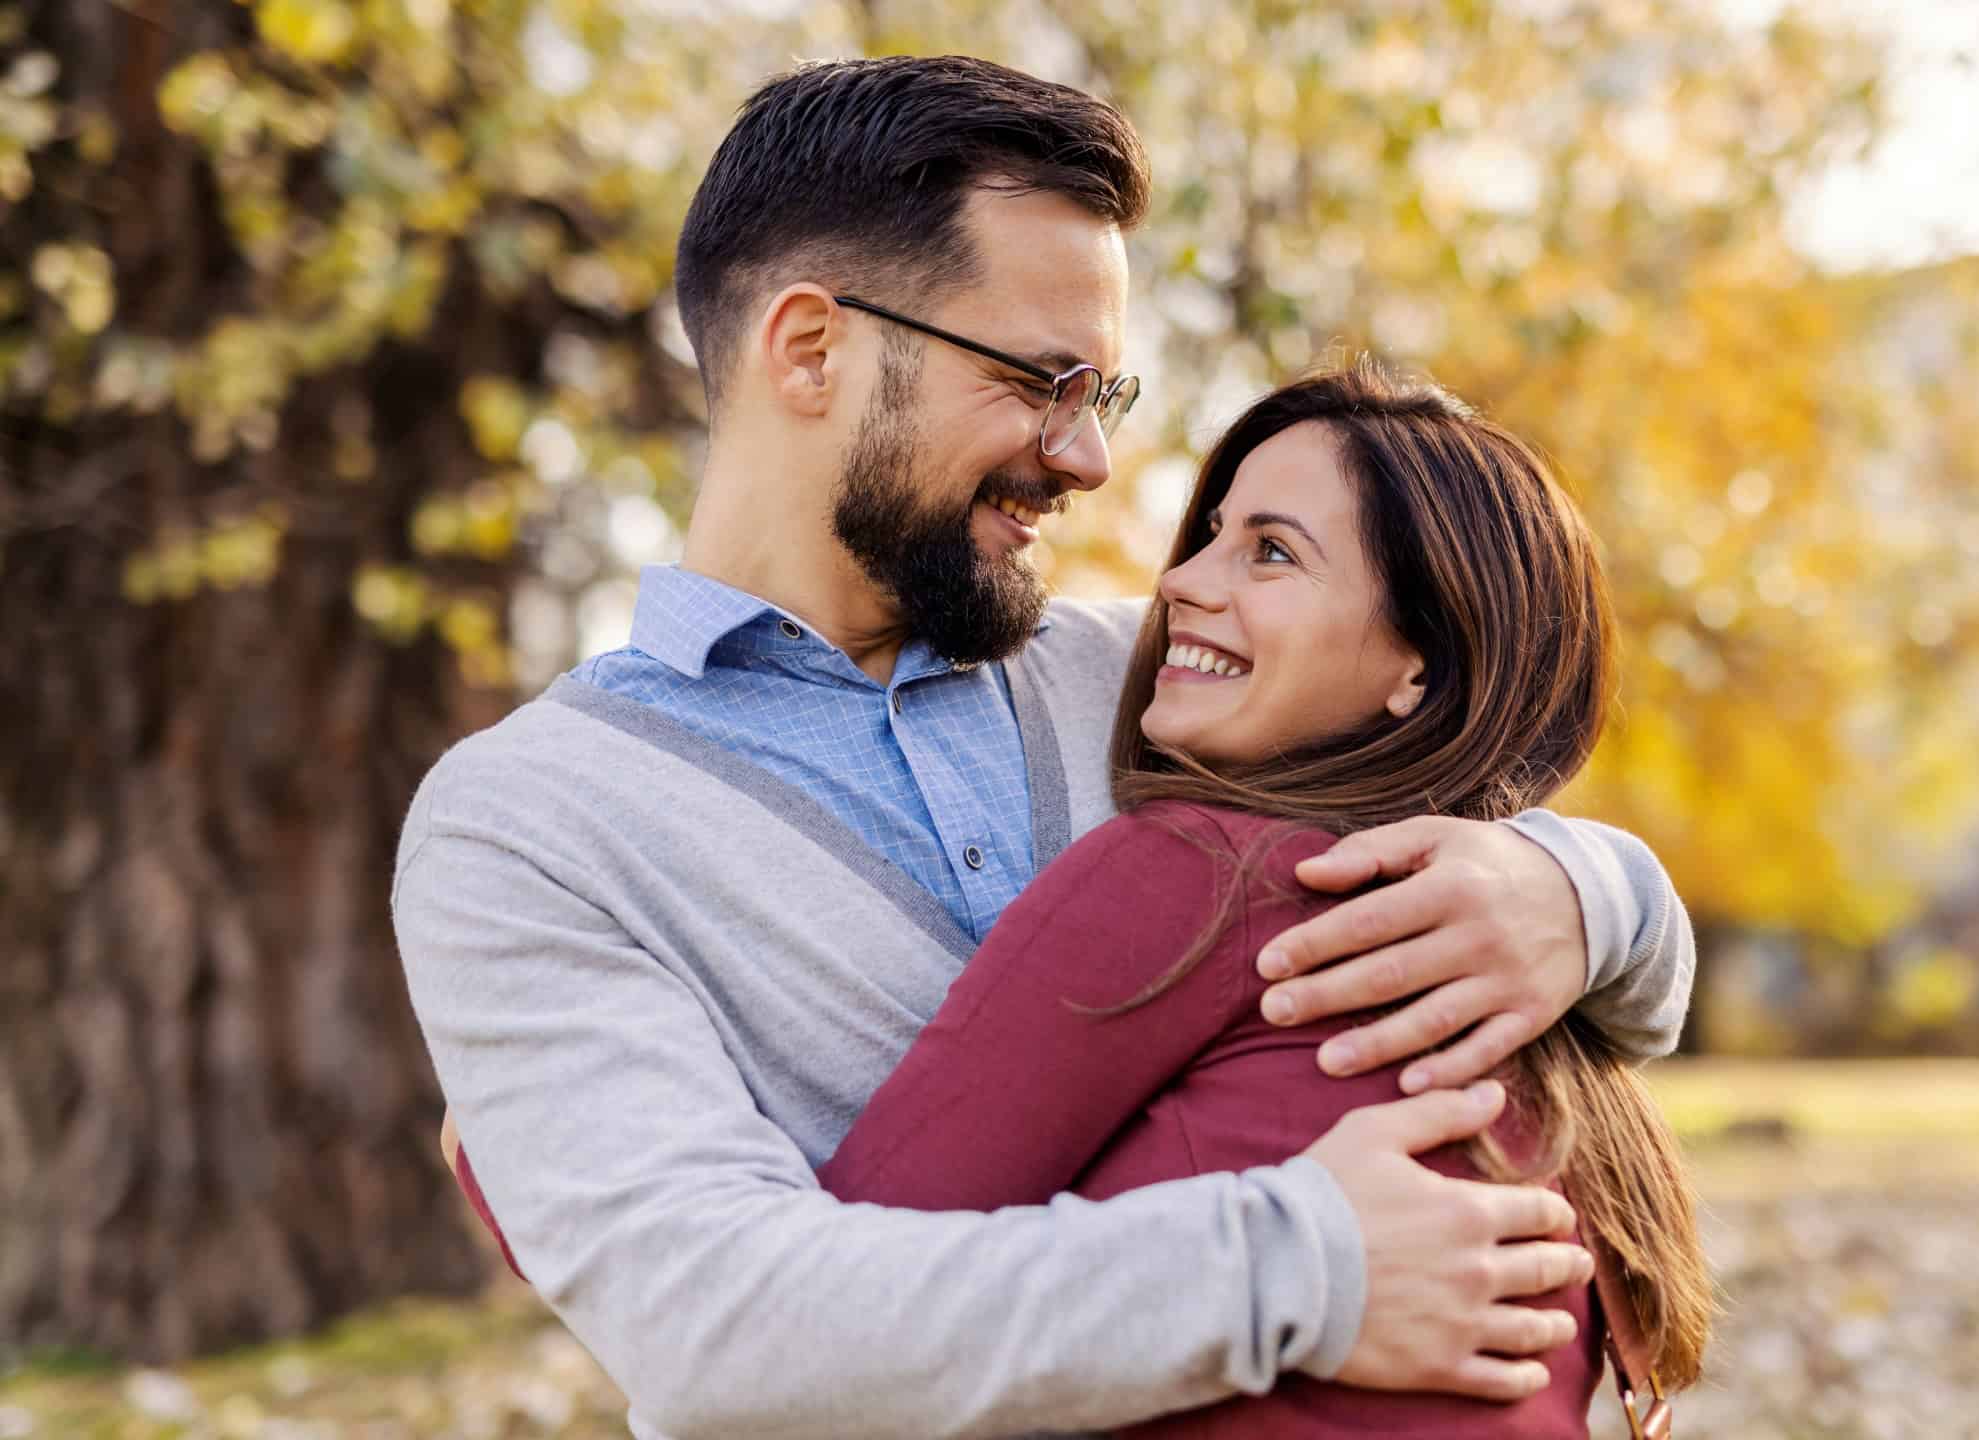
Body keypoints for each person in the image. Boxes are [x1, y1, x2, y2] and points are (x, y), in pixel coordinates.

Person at [394, 55, 1694, 1440]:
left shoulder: (1143, 675)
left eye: (1105, 399)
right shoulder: (526, 823)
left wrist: (1581, 895)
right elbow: (720, 1333)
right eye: (1040, 380)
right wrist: (1299, 1264)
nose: (1087, 461)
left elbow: (1453, 761)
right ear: (812, 348)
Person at [820, 363, 1711, 1438]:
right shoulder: (1538, 1007)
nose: (1184, 580)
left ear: (1417, 669)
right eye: (1210, 535)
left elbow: (839, 1317)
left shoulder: (1185, 874)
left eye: (1271, 551)